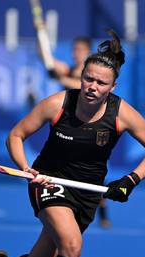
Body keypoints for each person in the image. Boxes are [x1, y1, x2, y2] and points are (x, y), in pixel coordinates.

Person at [0, 29, 145, 257]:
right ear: (81, 76)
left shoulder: (122, 113)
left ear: (113, 87)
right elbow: (15, 135)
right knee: (72, 246)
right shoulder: (57, 104)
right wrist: (25, 168)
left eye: (101, 83)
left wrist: (130, 180)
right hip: (49, 180)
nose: (93, 87)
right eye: (88, 79)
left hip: (88, 190)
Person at [46, 36, 112, 228]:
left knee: (92, 174)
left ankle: (103, 213)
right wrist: (40, 38)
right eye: (74, 49)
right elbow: (49, 61)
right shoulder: (70, 69)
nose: (76, 53)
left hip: (91, 127)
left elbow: (78, 86)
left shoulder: (92, 74)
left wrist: (60, 78)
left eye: (80, 50)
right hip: (68, 125)